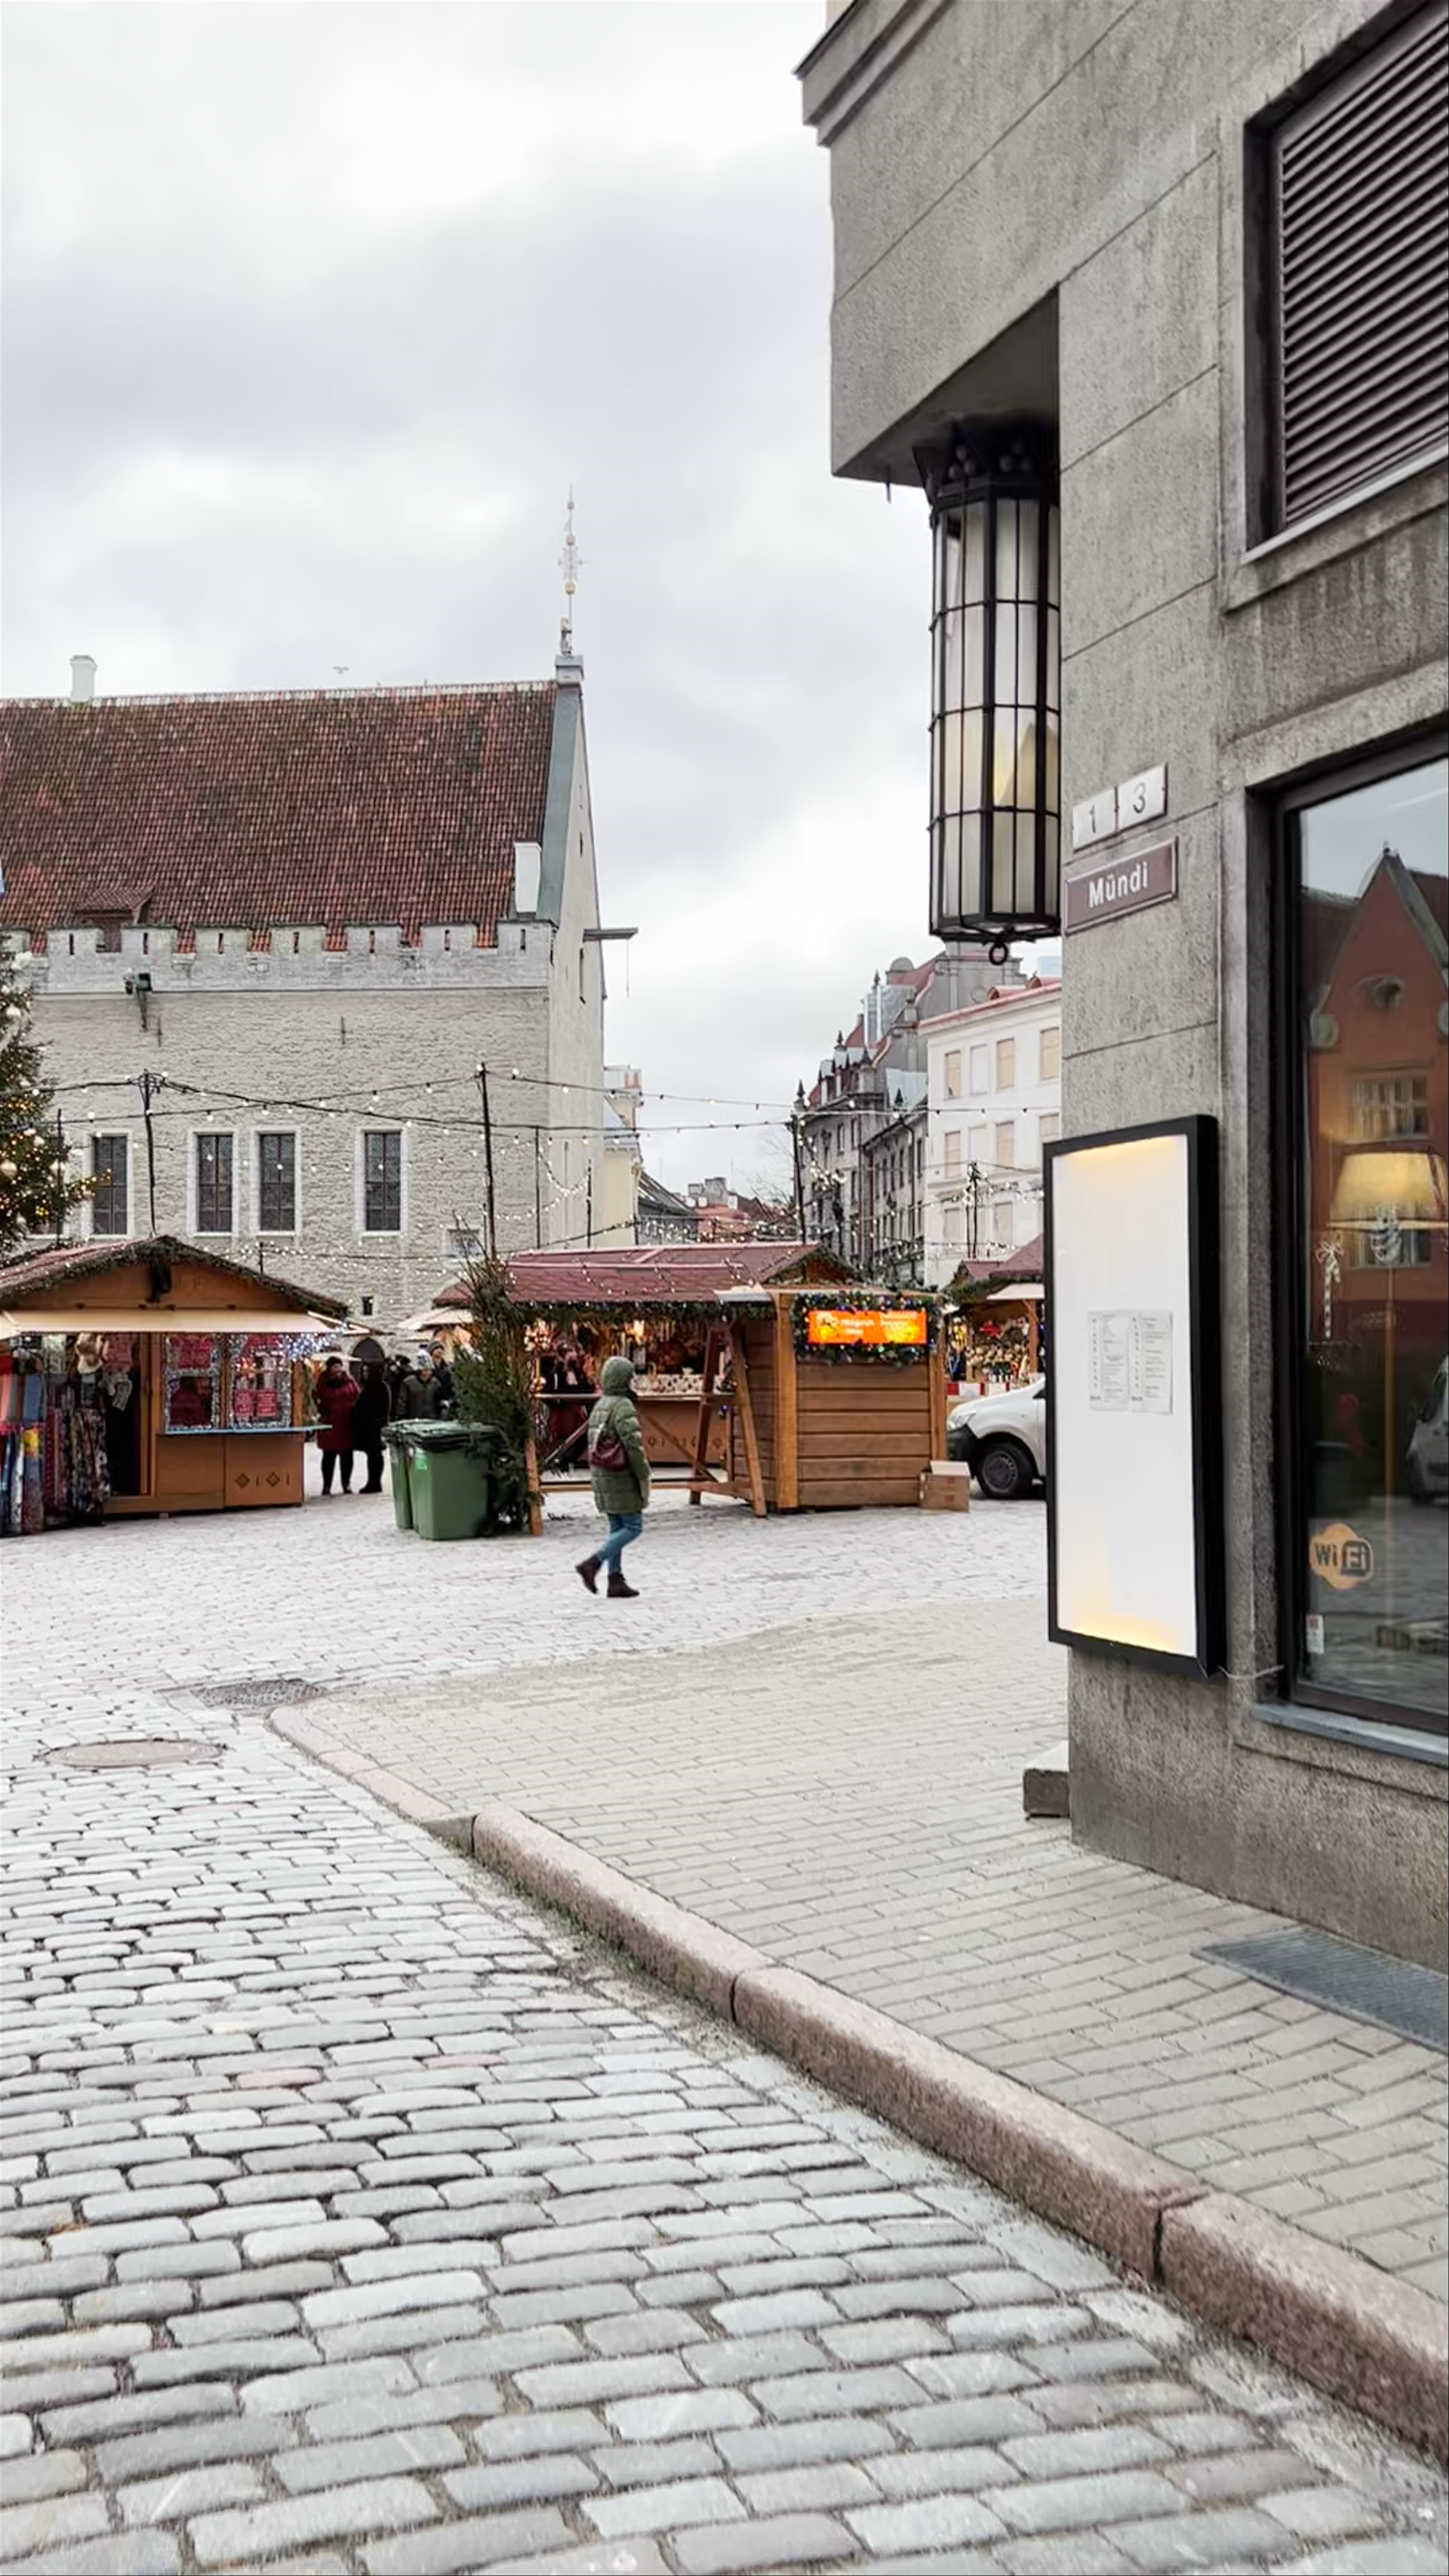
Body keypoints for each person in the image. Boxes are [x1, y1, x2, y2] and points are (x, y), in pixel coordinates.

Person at [576, 1354, 650, 1601]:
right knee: (633, 1527)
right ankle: (593, 1563)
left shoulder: (601, 1404)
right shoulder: (623, 1405)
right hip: (621, 1476)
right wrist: (643, 1473)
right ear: (623, 1379)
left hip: (603, 1474)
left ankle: (615, 1580)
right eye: (630, 1377)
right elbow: (633, 1446)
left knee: (617, 1526)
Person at [313, 1355, 358, 1495]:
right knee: (329, 1455)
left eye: (340, 1366)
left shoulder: (349, 1380)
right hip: (331, 1423)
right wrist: (322, 1410)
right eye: (335, 1367)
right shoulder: (323, 1381)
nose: (338, 1369)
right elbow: (317, 1397)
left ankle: (347, 1484)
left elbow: (357, 1395)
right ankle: (327, 1486)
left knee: (347, 1456)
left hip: (347, 1423)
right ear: (330, 1368)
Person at [350, 1361, 392, 1495]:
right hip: (368, 1427)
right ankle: (373, 1482)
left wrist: (375, 1421)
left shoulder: (380, 1388)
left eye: (367, 1371)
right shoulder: (370, 1387)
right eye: (364, 1371)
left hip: (373, 1427)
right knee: (372, 1455)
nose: (365, 1374)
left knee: (375, 1455)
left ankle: (375, 1483)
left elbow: (381, 1408)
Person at [398, 1354, 446, 1420]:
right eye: (425, 1370)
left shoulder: (436, 1383)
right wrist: (402, 1417)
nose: (428, 1373)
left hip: (432, 1419)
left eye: (430, 1370)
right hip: (413, 1419)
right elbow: (402, 1402)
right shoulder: (409, 1383)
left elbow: (440, 1400)